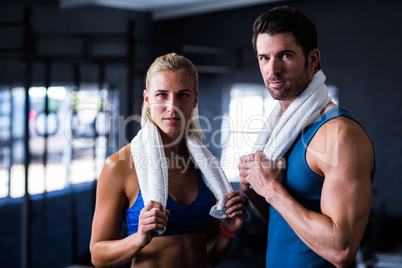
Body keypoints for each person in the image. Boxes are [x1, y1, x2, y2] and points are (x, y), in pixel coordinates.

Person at [238, 6, 375, 268]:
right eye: (264, 58)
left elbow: (341, 250)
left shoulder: (339, 134)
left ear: (312, 59)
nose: (273, 69)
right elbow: (287, 223)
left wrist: (271, 189)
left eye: (285, 55)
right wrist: (254, 189)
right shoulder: (279, 132)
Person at [90, 53, 247, 267]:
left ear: (195, 100)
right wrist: (139, 238)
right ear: (147, 99)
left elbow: (206, 257)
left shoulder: (206, 167)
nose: (172, 106)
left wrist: (227, 233)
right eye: (162, 95)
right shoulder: (118, 166)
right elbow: (98, 256)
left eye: (182, 95)